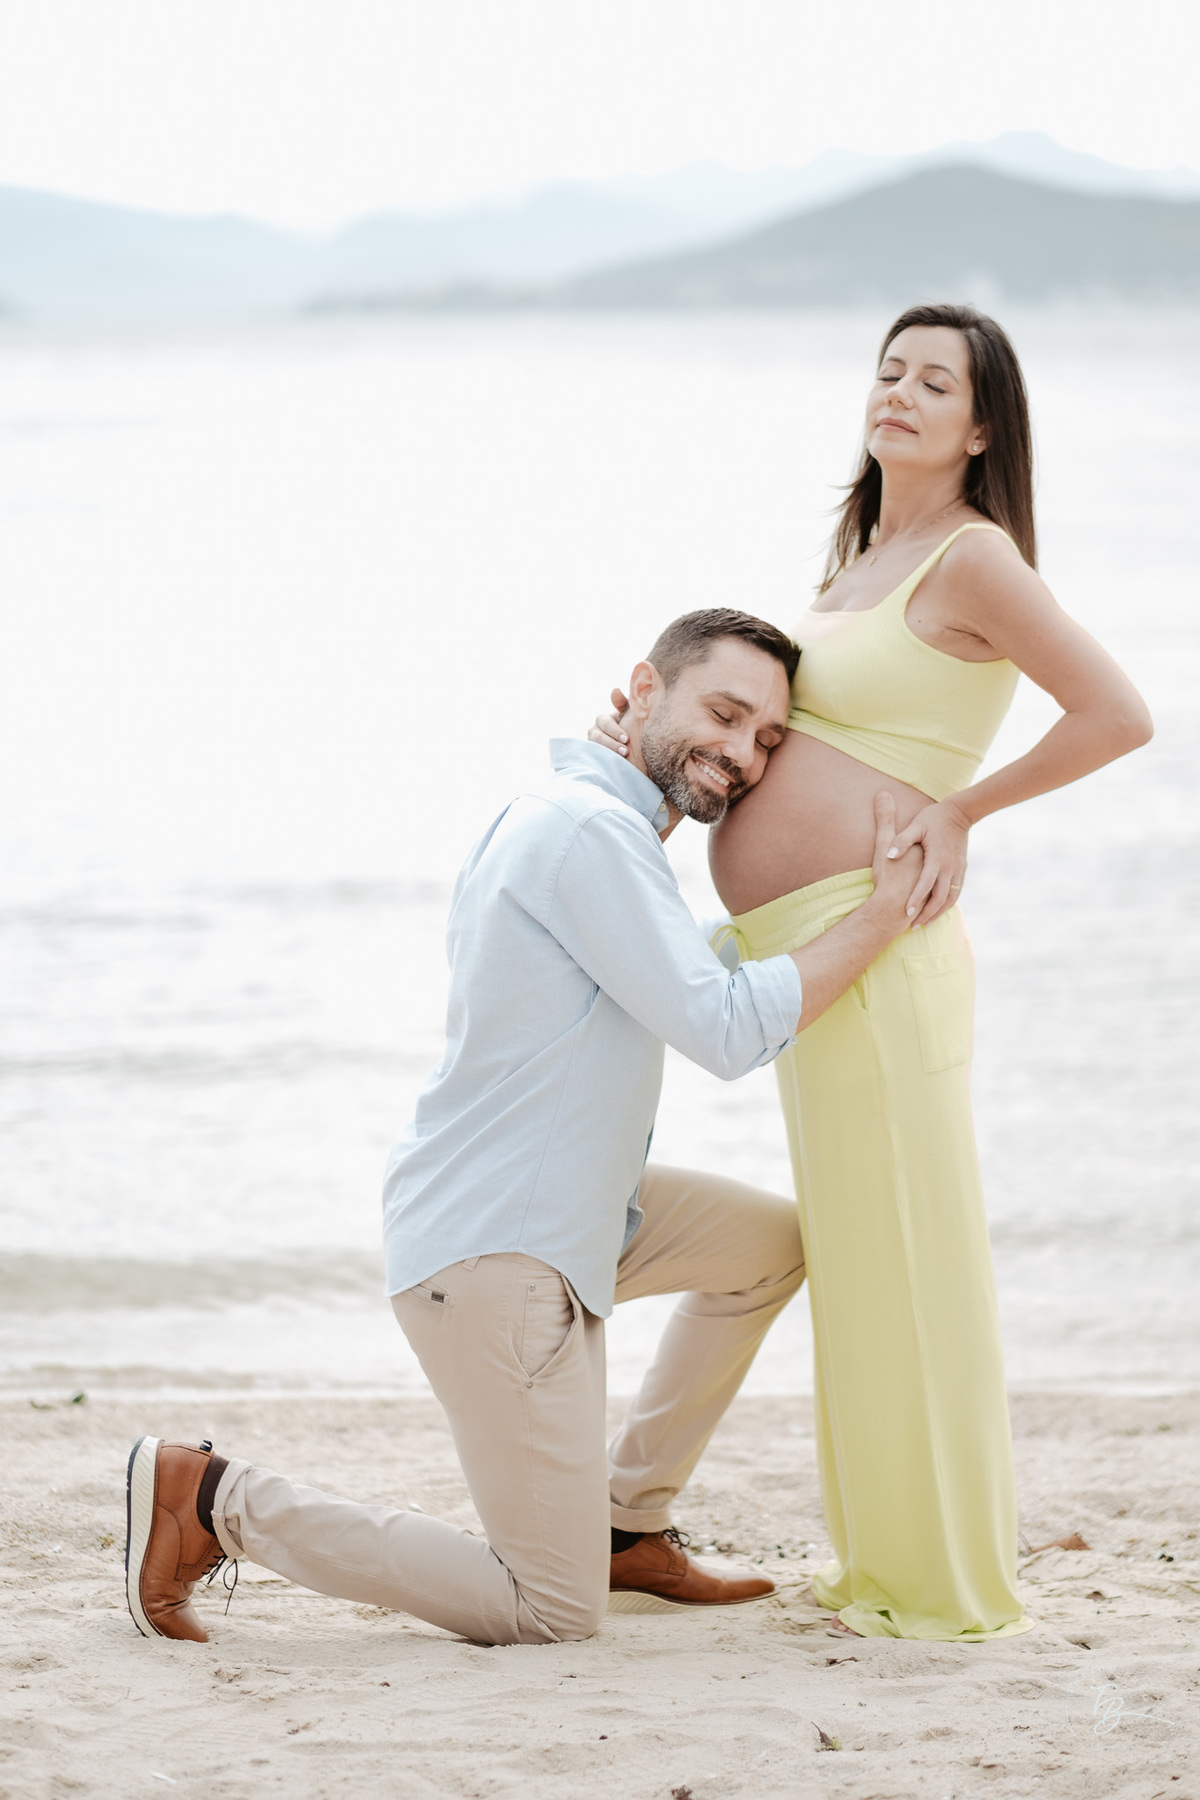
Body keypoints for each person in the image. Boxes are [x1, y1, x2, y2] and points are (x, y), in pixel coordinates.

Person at [125, 608, 922, 1649]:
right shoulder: (588, 832)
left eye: (768, 737)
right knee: (548, 1610)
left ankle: (626, 1525)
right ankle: (211, 1501)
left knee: (770, 1248)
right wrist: (884, 914)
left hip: (567, 1211)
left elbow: (687, 970)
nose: (744, 753)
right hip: (499, 1250)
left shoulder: (592, 824)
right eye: (725, 714)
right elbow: (727, 1030)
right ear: (643, 689)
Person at [591, 304, 1153, 1641]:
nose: (899, 391)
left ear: (983, 427)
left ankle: (939, 1578)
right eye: (889, 370)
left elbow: (1118, 715)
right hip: (815, 956)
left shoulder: (974, 559)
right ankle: (886, 1556)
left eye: (935, 381)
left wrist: (963, 810)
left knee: (910, 1260)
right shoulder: (860, 558)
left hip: (879, 953)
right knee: (861, 1262)